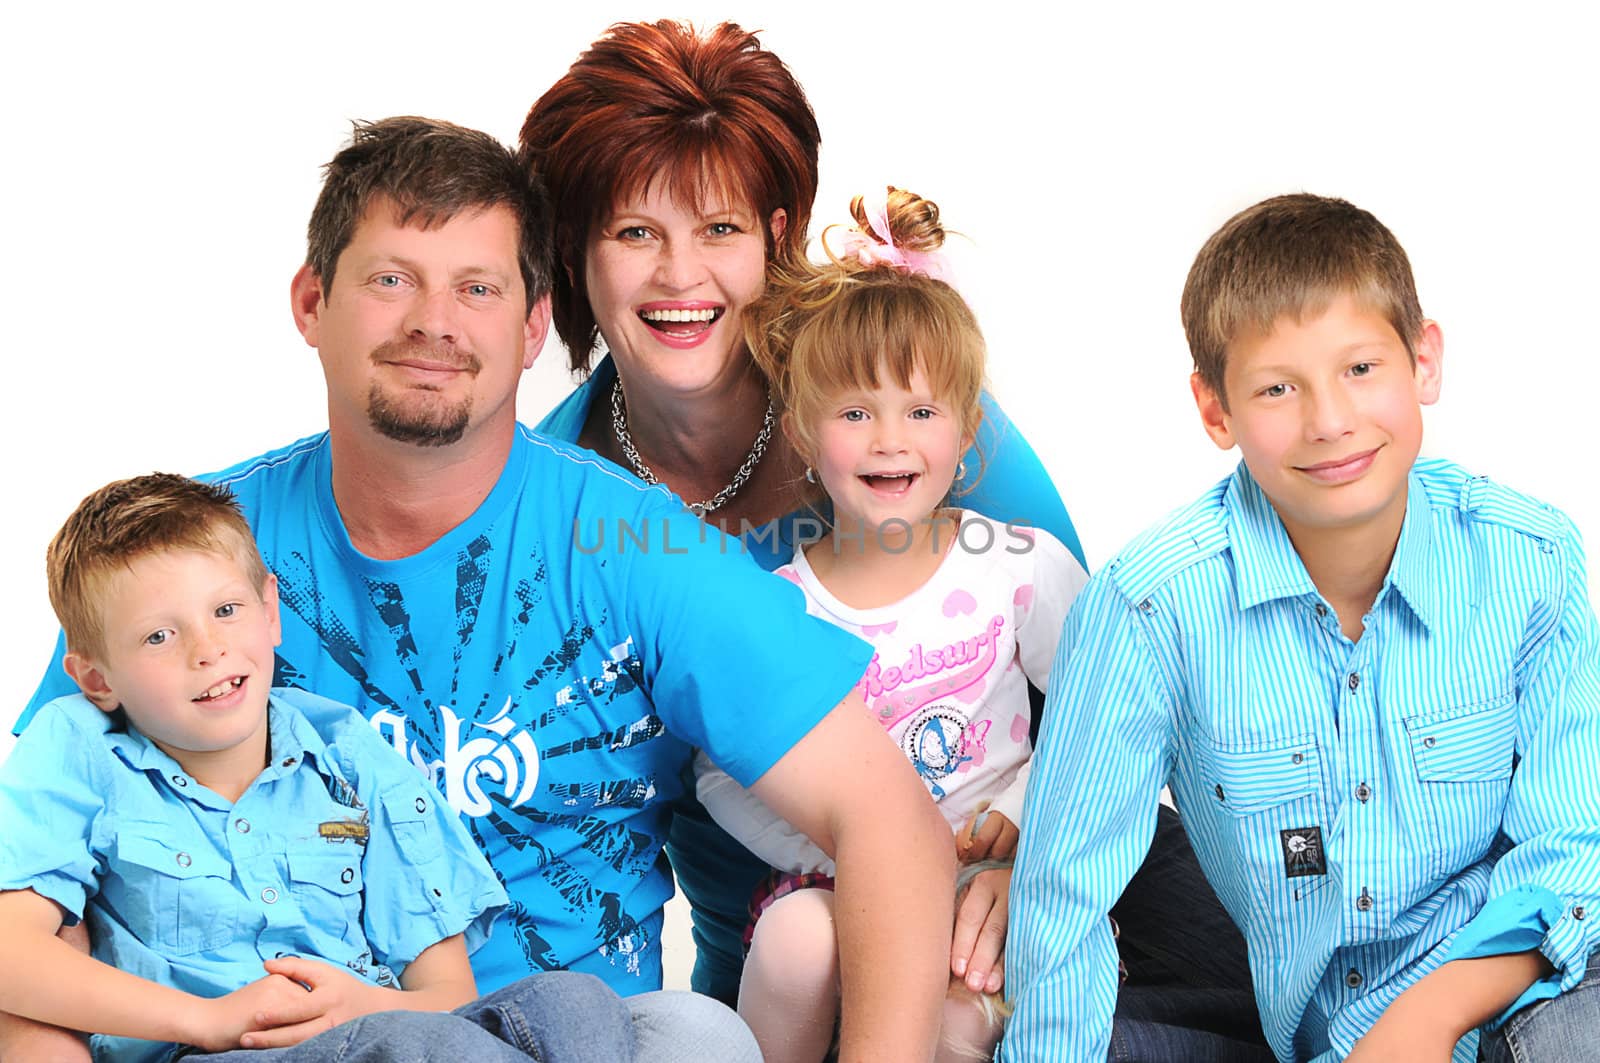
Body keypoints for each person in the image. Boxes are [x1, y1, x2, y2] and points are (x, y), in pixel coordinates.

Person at [9, 116, 957, 1063]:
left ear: (534, 323)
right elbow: (25, 920)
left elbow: (887, 821)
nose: (434, 321)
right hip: (261, 1044)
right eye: (391, 280)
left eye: (478, 287)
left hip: (571, 1035)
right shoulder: (184, 563)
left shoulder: (633, 549)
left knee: (698, 1040)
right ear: (310, 302)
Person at [521, 22, 1251, 1022]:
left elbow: (1092, 694)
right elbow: (580, 822)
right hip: (785, 959)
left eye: (719, 229)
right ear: (575, 253)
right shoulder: (558, 509)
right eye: (634, 232)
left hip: (1006, 895)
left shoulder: (892, 405)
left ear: (776, 235)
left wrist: (1031, 863)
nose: (678, 275)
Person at [1003, 193, 1600, 1062]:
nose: (1329, 420)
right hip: (1315, 1028)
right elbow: (1066, 897)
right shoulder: (1150, 607)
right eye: (1278, 388)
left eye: (1361, 368)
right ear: (1215, 409)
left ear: (1423, 359)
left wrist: (1431, 1015)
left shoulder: (1528, 557)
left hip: (1527, 992)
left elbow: (1575, 842)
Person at [0, 473, 635, 1063]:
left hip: (373, 1031)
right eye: (158, 637)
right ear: (95, 678)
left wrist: (365, 1005)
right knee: (422, 1047)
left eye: (225, 611)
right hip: (208, 1052)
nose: (208, 649)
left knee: (572, 1001)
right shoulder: (79, 747)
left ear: (269, 611)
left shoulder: (346, 753)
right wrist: (207, 1019)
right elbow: (10, 954)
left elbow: (445, 992)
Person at [693, 188, 1090, 1062]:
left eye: (919, 411)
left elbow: (1105, 715)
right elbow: (721, 776)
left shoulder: (1015, 563)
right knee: (798, 940)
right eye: (854, 413)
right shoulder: (783, 607)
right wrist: (837, 839)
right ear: (801, 432)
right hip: (840, 884)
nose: (889, 441)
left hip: (989, 876)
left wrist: (1023, 816)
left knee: (956, 1021)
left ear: (966, 430)